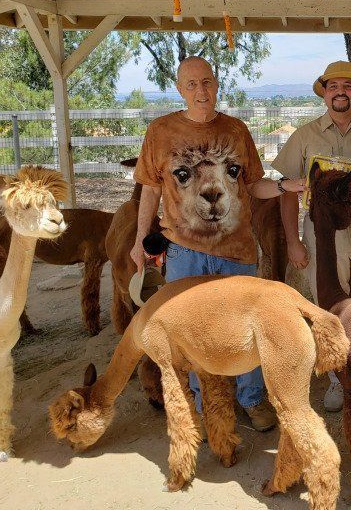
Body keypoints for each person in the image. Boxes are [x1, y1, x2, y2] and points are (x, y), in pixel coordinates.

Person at [131, 56, 305, 432]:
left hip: (235, 249)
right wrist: (139, 240)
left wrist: (283, 186)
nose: (200, 91)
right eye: (191, 84)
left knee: (247, 327)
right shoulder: (160, 132)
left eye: (207, 82)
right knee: (191, 331)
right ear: (179, 89)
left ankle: (252, 398)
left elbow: (251, 185)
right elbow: (149, 188)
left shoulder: (236, 131)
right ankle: (205, 401)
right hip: (184, 250)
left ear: (217, 84)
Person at [272, 61, 351, 412]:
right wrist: (293, 241)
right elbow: (286, 190)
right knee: (328, 310)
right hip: (322, 239)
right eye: (333, 86)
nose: (340, 92)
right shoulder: (305, 135)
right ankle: (337, 380)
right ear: (325, 93)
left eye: (348, 86)